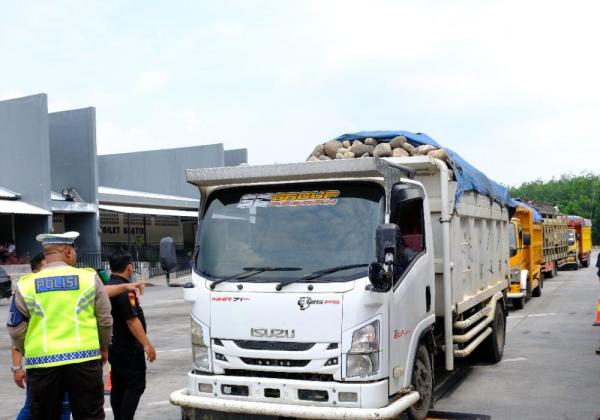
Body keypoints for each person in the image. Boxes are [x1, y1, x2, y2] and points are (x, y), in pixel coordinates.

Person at [7, 231, 112, 420]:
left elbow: (15, 327)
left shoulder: (26, 285)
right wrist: (103, 346)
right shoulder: (88, 278)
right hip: (85, 359)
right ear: (69, 252)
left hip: (41, 363)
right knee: (90, 415)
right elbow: (105, 319)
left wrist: (28, 349)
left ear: (46, 253)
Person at [12, 252, 71, 420]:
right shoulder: (28, 295)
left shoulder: (60, 295)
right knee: (33, 407)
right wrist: (17, 367)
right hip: (40, 366)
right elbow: (17, 333)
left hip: (66, 362)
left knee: (64, 406)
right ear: (36, 272)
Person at [107, 249, 156, 420]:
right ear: (128, 267)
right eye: (132, 266)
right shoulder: (124, 290)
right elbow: (131, 320)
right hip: (128, 347)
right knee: (135, 385)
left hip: (113, 345)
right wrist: (147, 344)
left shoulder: (110, 287)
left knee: (119, 385)